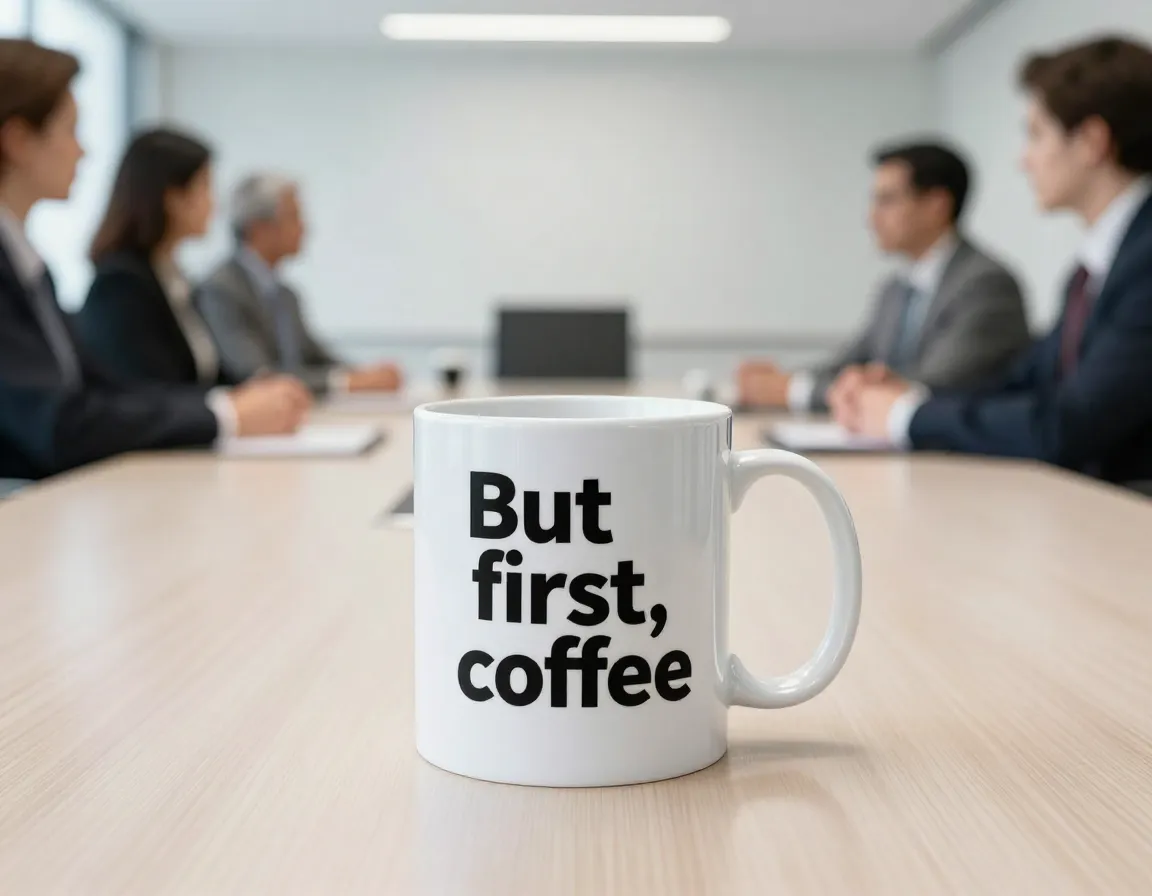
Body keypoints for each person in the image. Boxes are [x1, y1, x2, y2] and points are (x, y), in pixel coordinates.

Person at [838, 36, 1152, 488]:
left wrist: (906, 416)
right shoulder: (1091, 270)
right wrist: (909, 396)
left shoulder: (1145, 262)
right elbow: (1024, 381)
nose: (1023, 160)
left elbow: (1068, 425)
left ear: (1091, 142)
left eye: (1036, 134)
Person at [0, 40, 310, 481]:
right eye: (69, 130)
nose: (82, 152)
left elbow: (103, 392)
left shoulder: (31, 268)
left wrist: (234, 404)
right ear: (18, 141)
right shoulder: (117, 285)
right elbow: (59, 423)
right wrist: (224, 414)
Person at [738, 142, 1030, 411]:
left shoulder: (987, 286)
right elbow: (850, 363)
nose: (872, 218)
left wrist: (794, 390)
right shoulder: (895, 289)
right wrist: (785, 379)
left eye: (887, 201)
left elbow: (925, 389)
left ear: (936, 205)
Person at [196, 174, 403, 395]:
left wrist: (364, 373)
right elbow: (256, 375)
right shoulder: (220, 290)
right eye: (293, 216)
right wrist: (346, 382)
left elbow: (314, 355)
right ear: (258, 227)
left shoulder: (286, 295)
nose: (305, 227)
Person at [74, 128, 233, 387]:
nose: (214, 203)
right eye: (204, 186)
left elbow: (207, 375)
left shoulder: (173, 278)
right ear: (171, 197)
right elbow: (148, 394)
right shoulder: (121, 286)